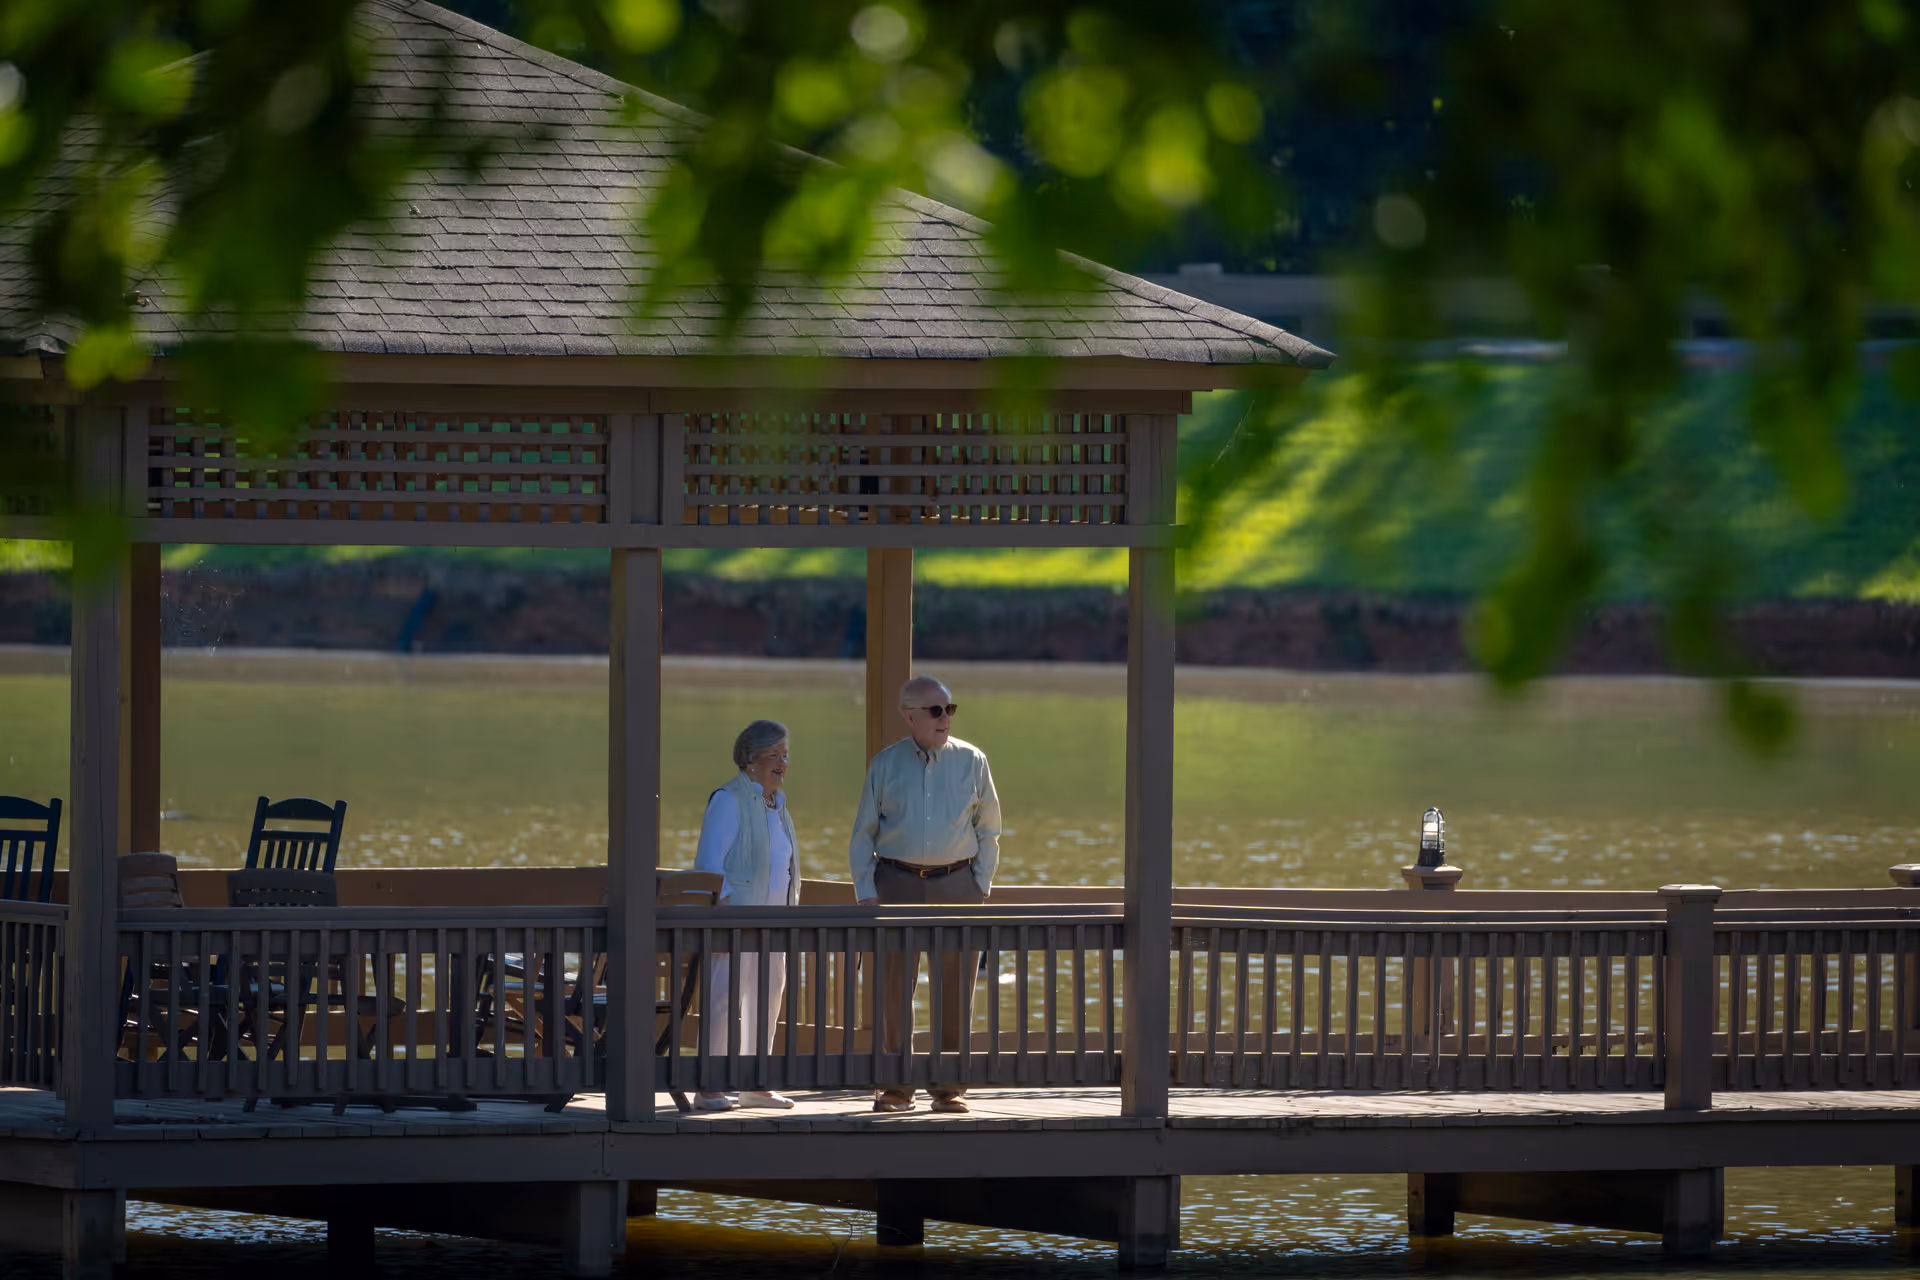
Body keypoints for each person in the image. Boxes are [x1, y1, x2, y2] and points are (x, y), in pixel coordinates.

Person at [849, 675, 1002, 1113]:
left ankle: (950, 1089)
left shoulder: (973, 760)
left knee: (956, 989)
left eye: (950, 709)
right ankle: (896, 1088)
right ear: (909, 715)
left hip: (958, 885)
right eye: (936, 711)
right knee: (892, 988)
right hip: (895, 882)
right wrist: (866, 891)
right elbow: (863, 834)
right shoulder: (884, 764)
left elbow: (990, 828)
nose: (945, 718)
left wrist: (980, 885)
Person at [690, 719, 800, 1112]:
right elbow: (708, 865)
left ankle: (757, 1085)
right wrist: (726, 911)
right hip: (734, 921)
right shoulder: (729, 799)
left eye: (785, 755)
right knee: (723, 1001)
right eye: (774, 755)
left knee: (767, 1000)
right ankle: (709, 1087)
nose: (782, 763)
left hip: (776, 923)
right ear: (750, 759)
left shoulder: (778, 806)